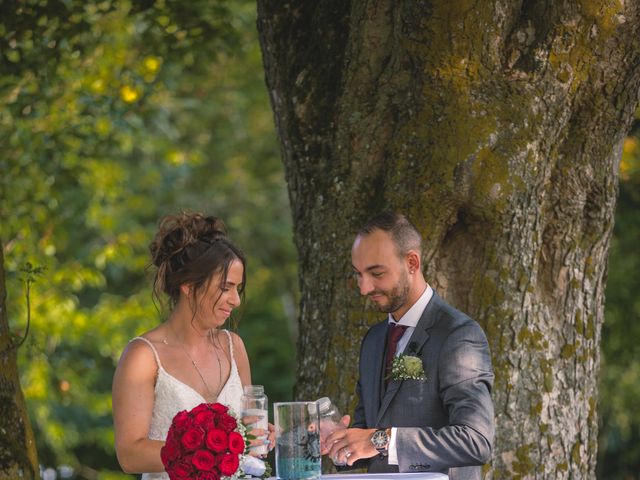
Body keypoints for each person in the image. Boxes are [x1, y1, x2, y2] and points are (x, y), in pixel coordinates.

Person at [325, 211, 494, 480]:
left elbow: (475, 440)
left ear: (412, 262)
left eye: (376, 273)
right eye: (359, 274)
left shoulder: (459, 335)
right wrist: (336, 439)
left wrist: (382, 440)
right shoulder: (373, 341)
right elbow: (365, 435)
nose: (364, 288)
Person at [112, 212, 273, 479]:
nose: (236, 300)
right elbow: (129, 454)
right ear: (188, 285)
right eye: (226, 287)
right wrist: (205, 450)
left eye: (238, 289)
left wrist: (259, 436)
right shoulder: (143, 356)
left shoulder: (234, 347)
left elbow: (246, 439)